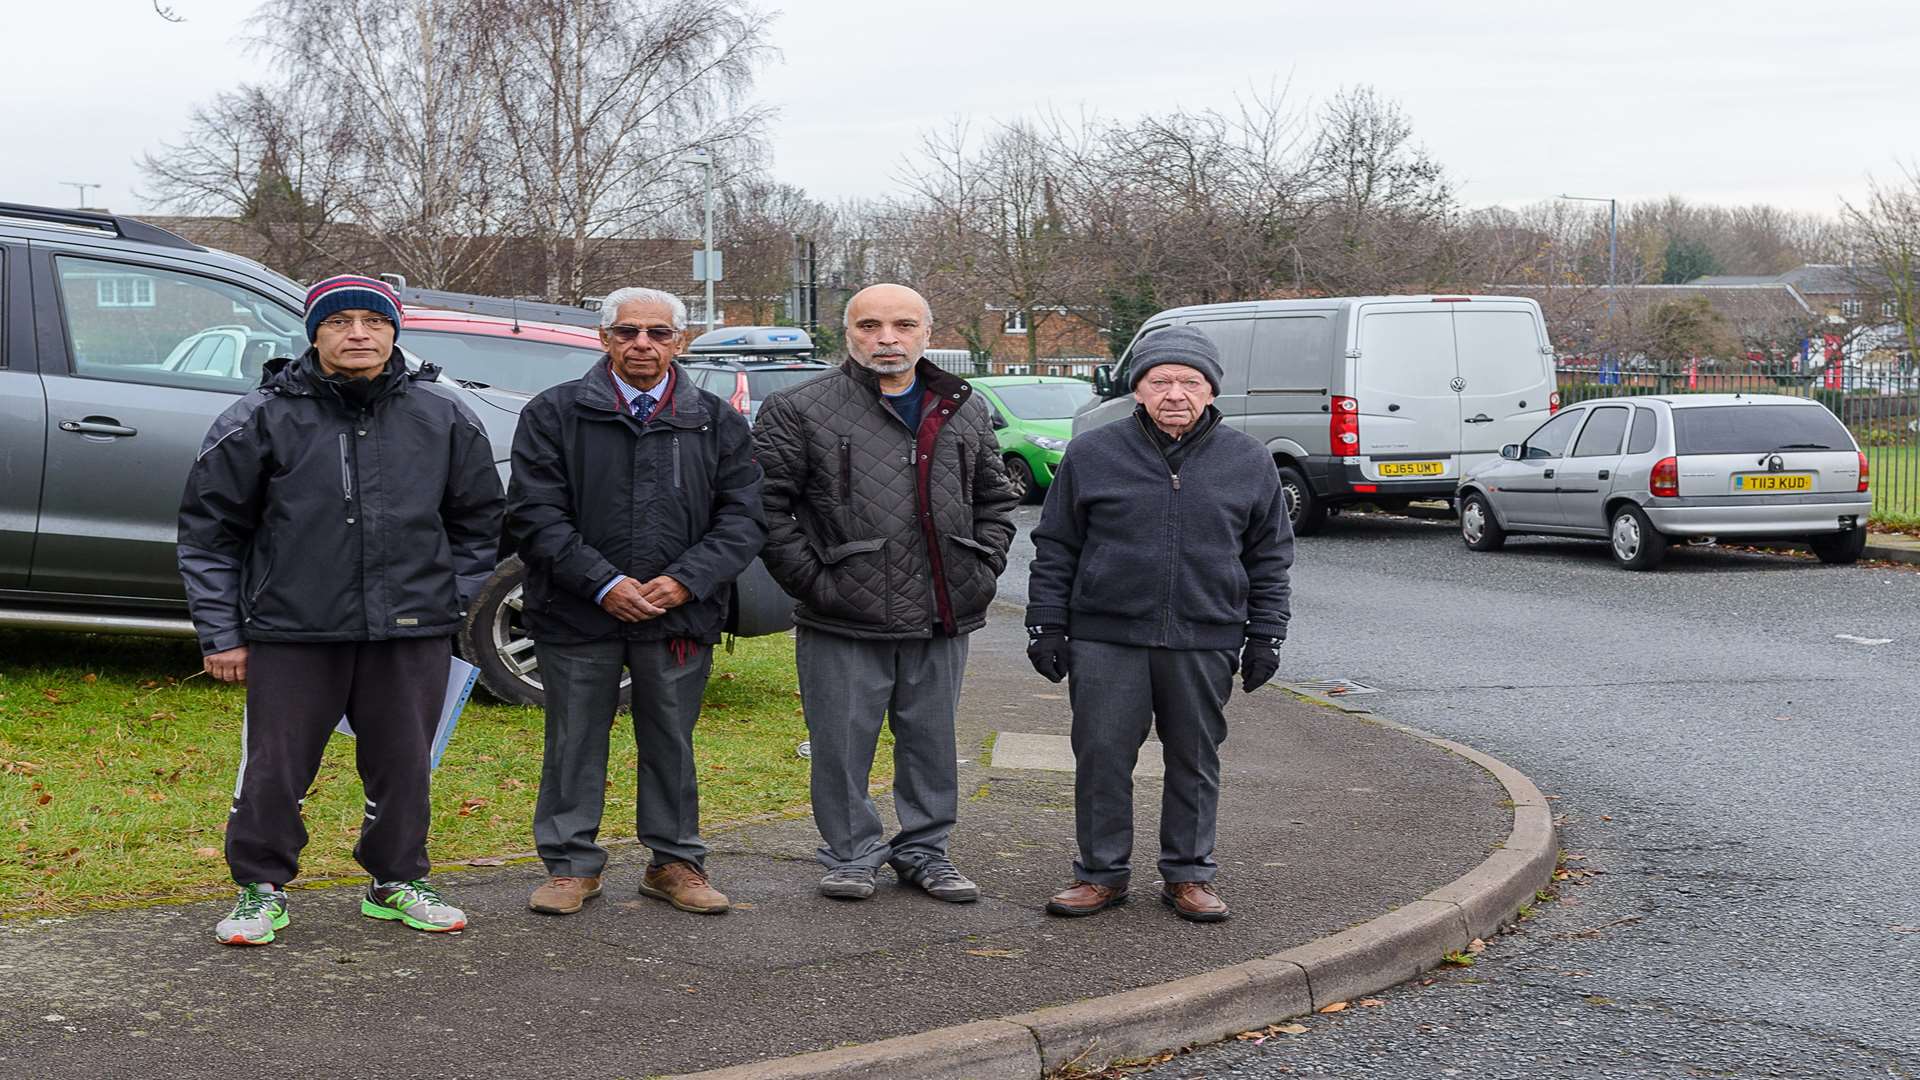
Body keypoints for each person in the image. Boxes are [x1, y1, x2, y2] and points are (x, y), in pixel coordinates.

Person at [178, 274, 504, 945]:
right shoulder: (262, 416)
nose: (358, 334)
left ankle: (396, 880)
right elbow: (211, 534)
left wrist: (449, 600)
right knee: (274, 766)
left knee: (404, 764)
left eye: (372, 321)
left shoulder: (442, 417)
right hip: (293, 628)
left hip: (410, 626)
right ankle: (259, 889)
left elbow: (479, 524)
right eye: (340, 322)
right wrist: (221, 633)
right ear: (314, 334)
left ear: (394, 332)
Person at [504, 287, 765, 917]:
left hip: (680, 614)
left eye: (656, 333)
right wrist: (602, 584)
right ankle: (570, 866)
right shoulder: (555, 413)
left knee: (671, 739)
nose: (641, 344)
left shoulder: (714, 419)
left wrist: (685, 580)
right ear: (603, 338)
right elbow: (534, 515)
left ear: (682, 341)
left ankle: (674, 861)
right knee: (573, 739)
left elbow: (745, 516)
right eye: (627, 332)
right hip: (576, 611)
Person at [753, 284, 1018, 903]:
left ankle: (926, 851)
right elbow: (766, 510)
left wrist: (982, 566)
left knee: (932, 741)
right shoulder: (800, 408)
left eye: (902, 325)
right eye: (869, 326)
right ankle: (850, 853)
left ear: (928, 332)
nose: (887, 339)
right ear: (847, 333)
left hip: (941, 608)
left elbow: (996, 498)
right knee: (842, 744)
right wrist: (820, 583)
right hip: (843, 614)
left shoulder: (963, 405)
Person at [1024, 325, 1293, 923]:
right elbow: (1056, 546)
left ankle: (1189, 875)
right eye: (1160, 380)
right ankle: (1100, 874)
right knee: (1101, 757)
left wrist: (1266, 634)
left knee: (1195, 758)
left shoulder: (1248, 461)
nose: (1176, 393)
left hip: (1204, 636)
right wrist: (1046, 625)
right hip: (1105, 637)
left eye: (1190, 382)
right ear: (1137, 389)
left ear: (1211, 390)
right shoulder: (1093, 453)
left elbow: (1270, 557)